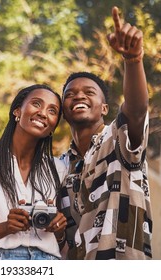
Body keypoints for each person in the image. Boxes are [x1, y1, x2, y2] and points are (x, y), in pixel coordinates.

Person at [58, 6, 152, 259]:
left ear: (104, 108)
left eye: (89, 92)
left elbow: (136, 110)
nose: (78, 95)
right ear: (63, 111)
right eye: (70, 94)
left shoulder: (118, 140)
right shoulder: (61, 168)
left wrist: (133, 60)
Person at [0, 84, 67, 260]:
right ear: (17, 111)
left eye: (52, 111)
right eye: (36, 104)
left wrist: (59, 229)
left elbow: (62, 241)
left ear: (53, 127)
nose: (43, 113)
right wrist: (7, 227)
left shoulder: (59, 169)